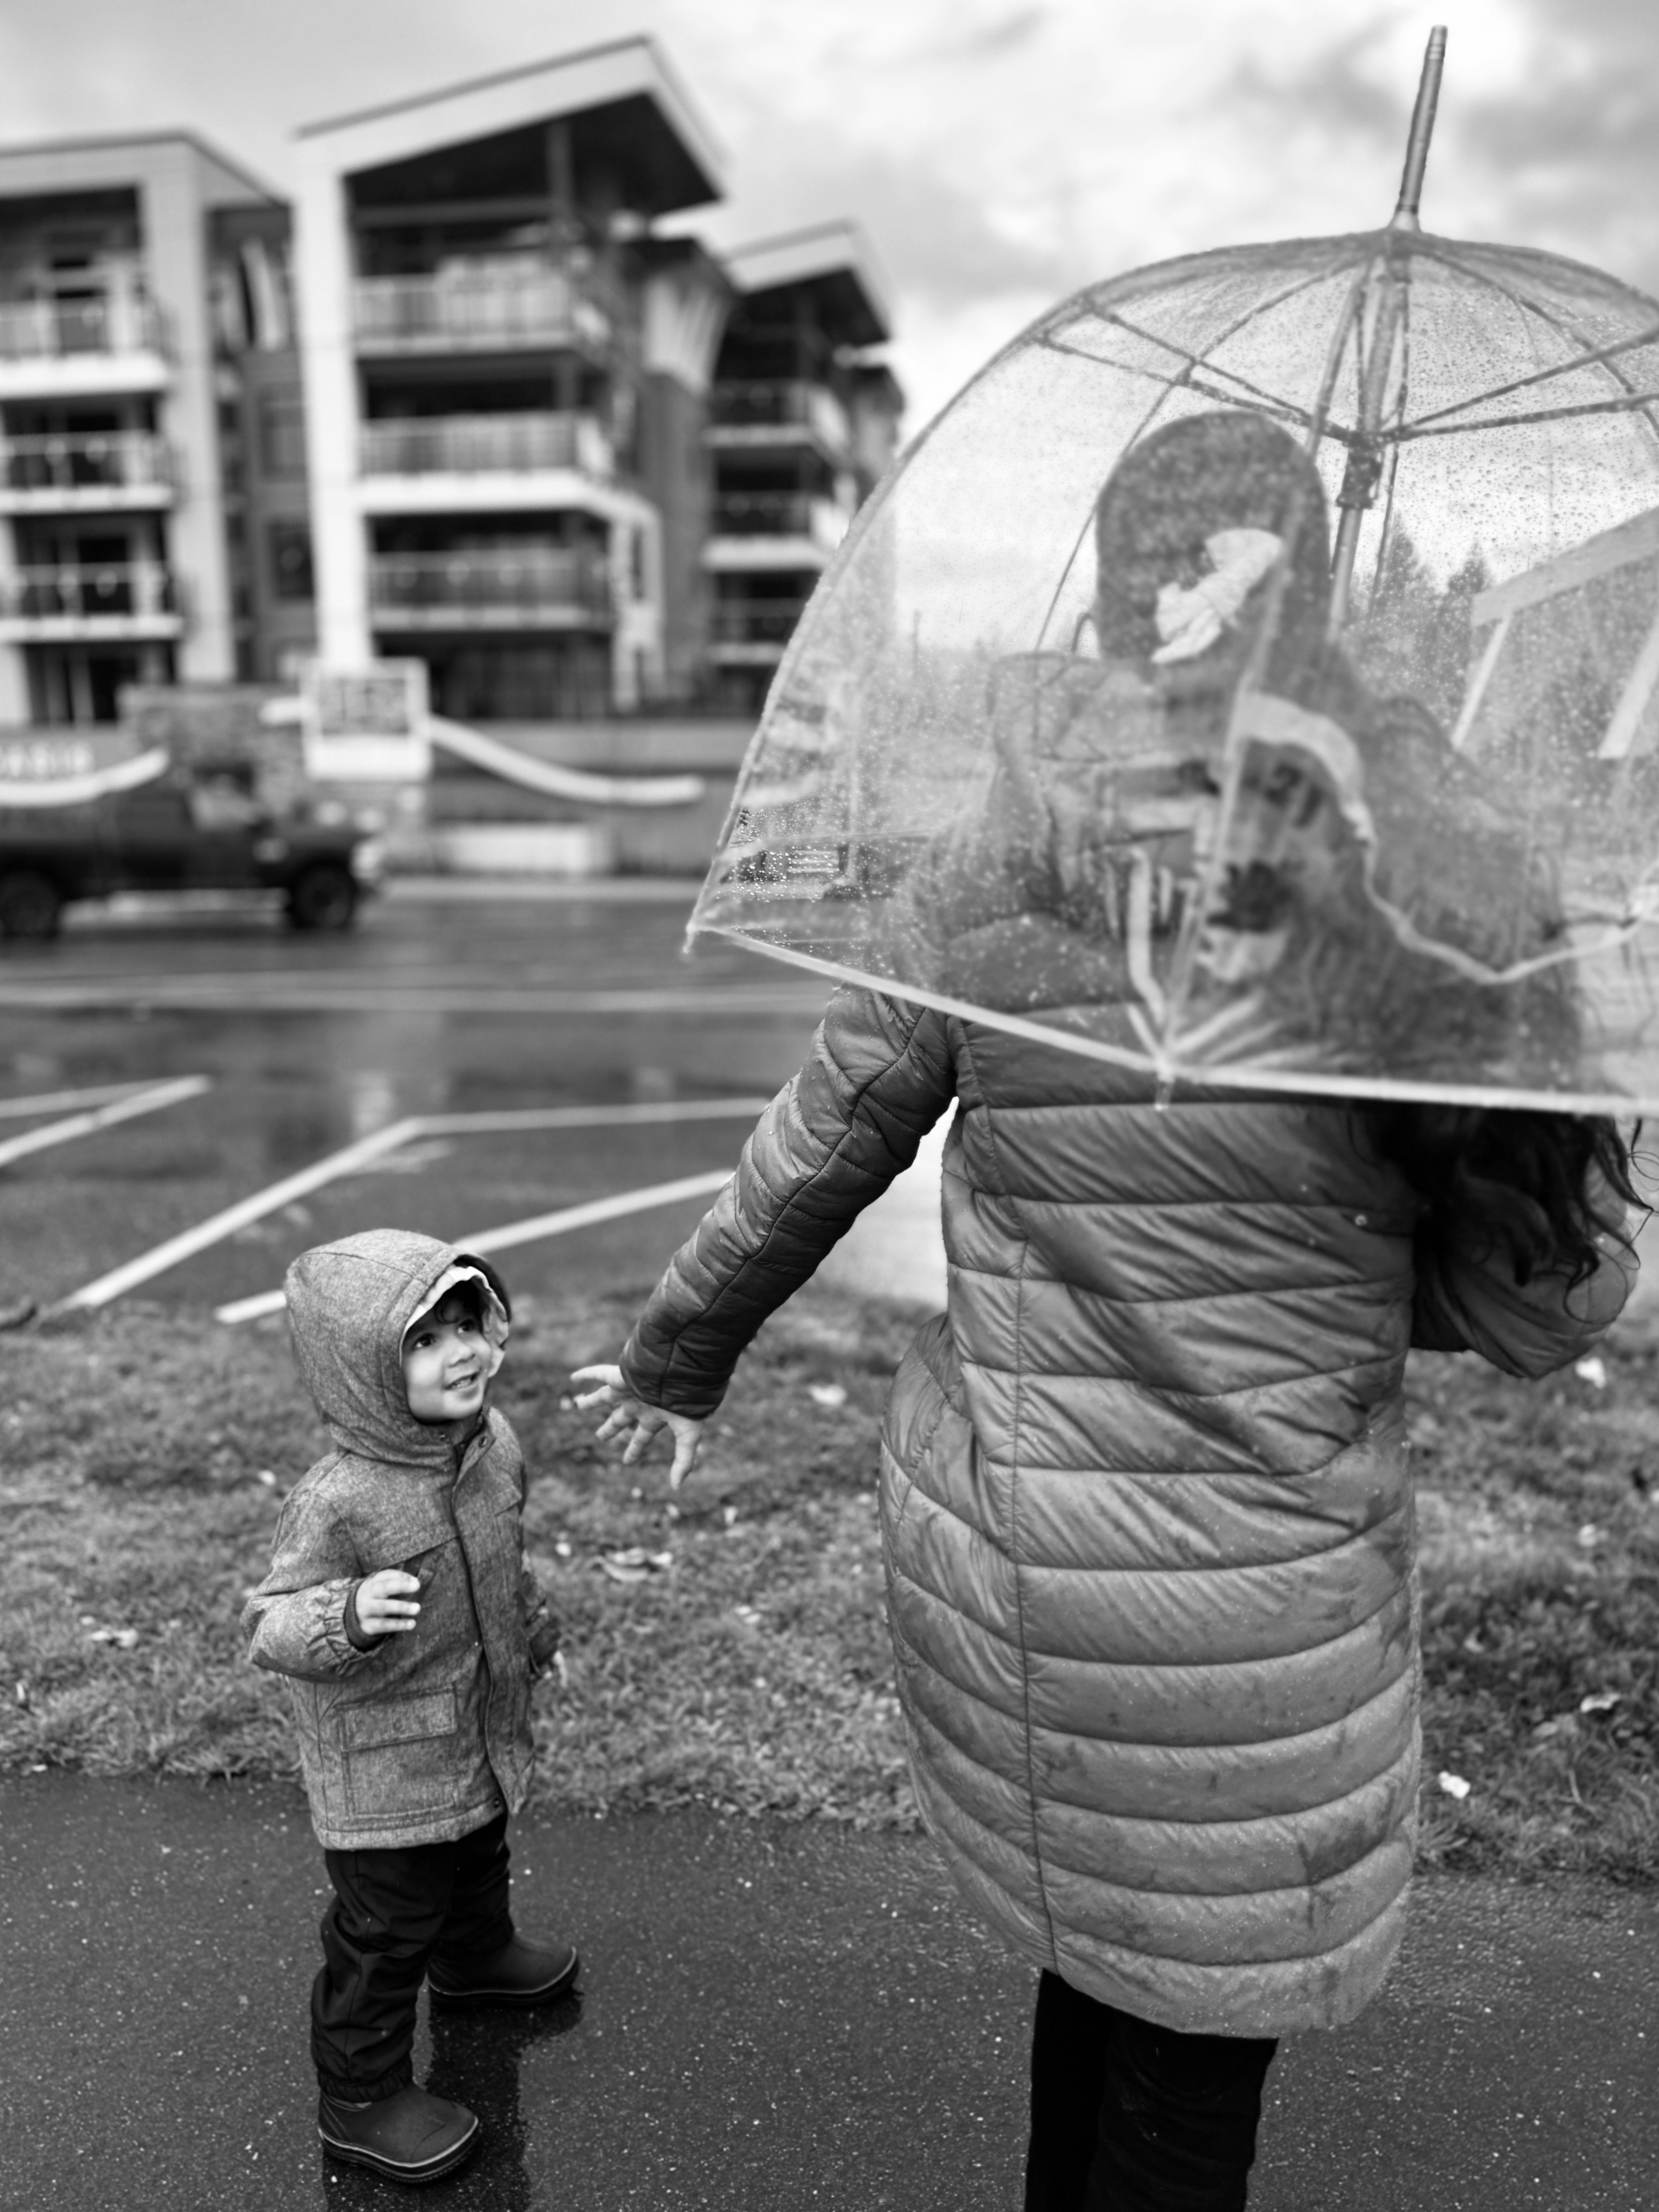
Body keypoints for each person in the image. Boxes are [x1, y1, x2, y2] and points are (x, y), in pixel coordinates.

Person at [572, 414, 1641, 2210]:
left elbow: (826, 1132)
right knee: (1188, 2047)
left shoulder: (1009, 843)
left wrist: (683, 1350)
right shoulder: (1416, 883)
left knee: (1096, 1961)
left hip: (1019, 1549)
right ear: (1306, 585)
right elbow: (1537, 1309)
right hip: (1257, 1602)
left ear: (1124, 574)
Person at [243, 1229, 574, 2189]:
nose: (462, 1351)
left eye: (468, 1322)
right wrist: (344, 1614)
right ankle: (359, 2095)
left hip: (472, 1729)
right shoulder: (338, 1500)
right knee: (385, 1933)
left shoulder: (493, 1448)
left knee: (478, 1852)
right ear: (362, 1375)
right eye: (423, 1343)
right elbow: (269, 1625)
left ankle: (474, 1959)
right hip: (380, 1767)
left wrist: (533, 1626)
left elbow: (502, 1565)